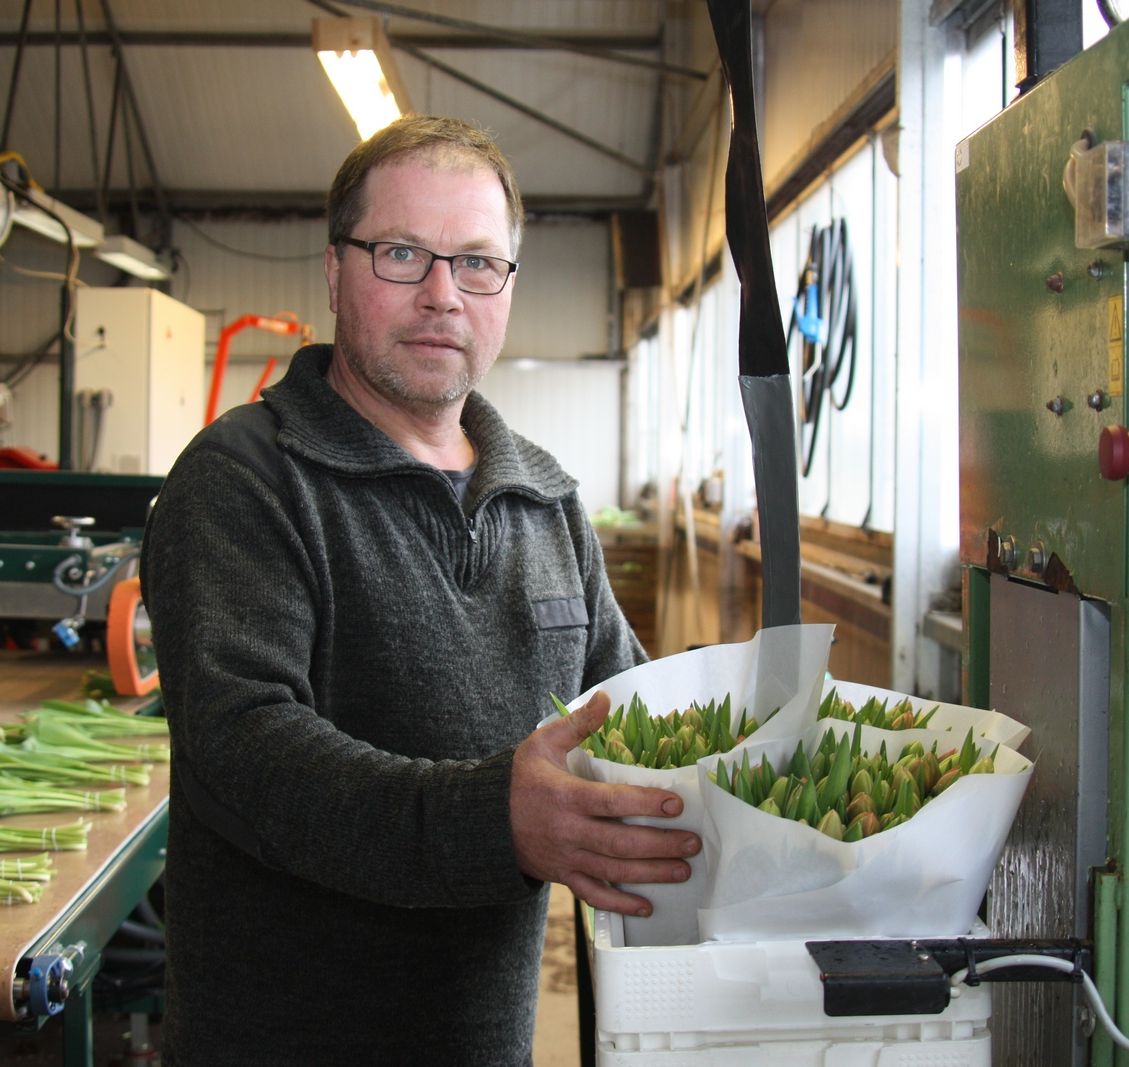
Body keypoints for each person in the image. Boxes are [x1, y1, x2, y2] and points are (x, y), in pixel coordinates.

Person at [140, 114, 700, 1067]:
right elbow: (247, 751)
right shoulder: (244, 478)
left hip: (481, 1039)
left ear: (508, 286)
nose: (443, 294)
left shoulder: (545, 499)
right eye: (402, 253)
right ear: (333, 270)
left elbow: (630, 718)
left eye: (477, 262)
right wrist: (497, 820)